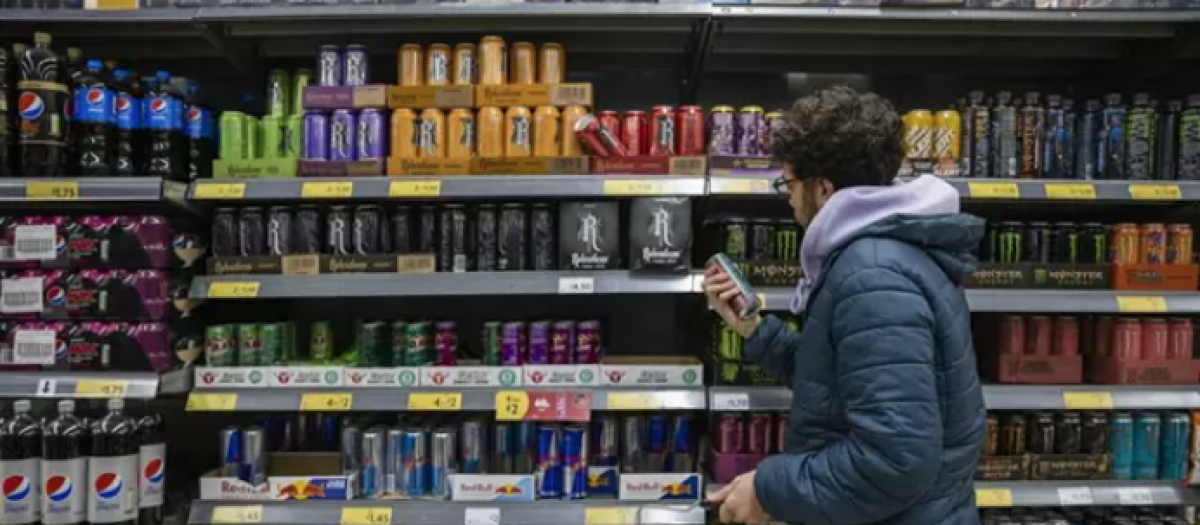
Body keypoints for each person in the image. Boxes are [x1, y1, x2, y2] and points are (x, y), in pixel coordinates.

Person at [704, 86, 986, 525]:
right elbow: (842, 385)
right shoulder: (880, 255)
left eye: (790, 184)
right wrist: (757, 330)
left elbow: (895, 460)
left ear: (823, 187)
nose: (788, 198)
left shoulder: (872, 275)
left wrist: (768, 488)